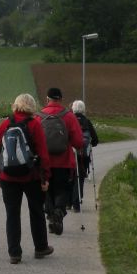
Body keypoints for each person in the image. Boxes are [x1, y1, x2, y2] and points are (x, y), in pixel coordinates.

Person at [0, 93, 52, 264]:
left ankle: (14, 253)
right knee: (36, 212)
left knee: (12, 214)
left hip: (8, 177)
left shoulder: (5, 124)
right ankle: (41, 248)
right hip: (31, 176)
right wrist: (45, 176)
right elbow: (43, 153)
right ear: (32, 106)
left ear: (16, 105)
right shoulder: (35, 124)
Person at [39, 87, 84, 236]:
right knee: (62, 189)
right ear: (61, 99)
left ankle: (51, 216)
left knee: (46, 190)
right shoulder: (68, 116)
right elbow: (78, 141)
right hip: (64, 162)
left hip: (44, 163)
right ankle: (59, 211)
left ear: (47, 99)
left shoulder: (39, 116)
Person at [70, 100, 99, 212]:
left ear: (73, 109)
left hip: (71, 153)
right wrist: (91, 143)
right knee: (80, 177)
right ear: (83, 109)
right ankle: (77, 203)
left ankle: (68, 202)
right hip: (83, 155)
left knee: (70, 177)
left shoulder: (69, 119)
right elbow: (96, 140)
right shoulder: (87, 121)